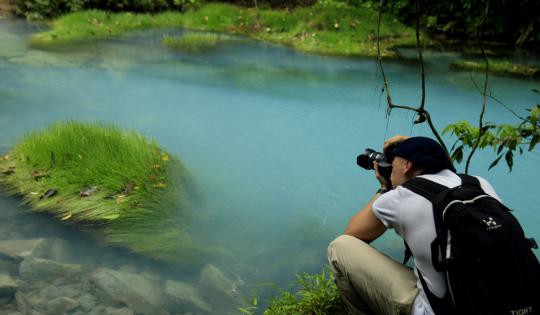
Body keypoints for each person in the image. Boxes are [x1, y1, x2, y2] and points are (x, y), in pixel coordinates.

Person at [327, 135, 501, 315]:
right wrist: (419, 144)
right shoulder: (479, 184)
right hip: (501, 304)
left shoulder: (400, 198)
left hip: (440, 310)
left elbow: (352, 235)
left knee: (340, 247)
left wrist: (385, 188)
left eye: (392, 165)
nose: (390, 169)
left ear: (408, 166)